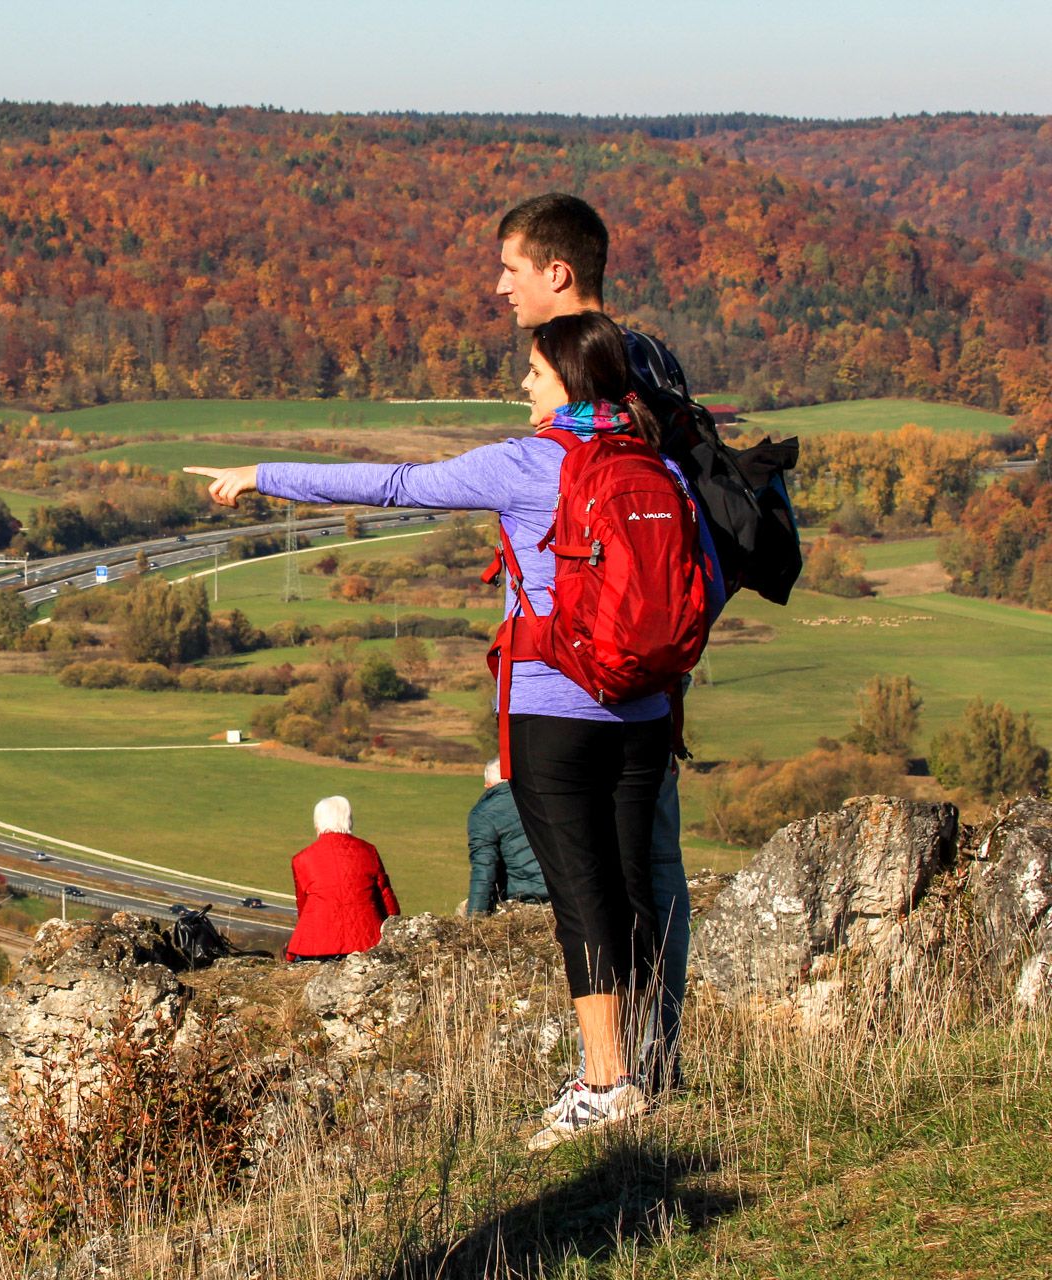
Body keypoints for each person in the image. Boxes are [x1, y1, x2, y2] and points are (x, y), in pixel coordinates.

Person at [187, 309, 718, 1150]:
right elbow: (702, 581)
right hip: (646, 712)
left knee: (582, 906)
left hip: (554, 708)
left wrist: (262, 473)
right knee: (634, 894)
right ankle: (647, 1069)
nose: (523, 388)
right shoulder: (658, 463)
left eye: (534, 376)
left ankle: (605, 1083)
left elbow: (395, 484)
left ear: (568, 385)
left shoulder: (527, 464)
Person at [497, 193, 694, 1093]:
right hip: (653, 680)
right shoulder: (649, 378)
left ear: (557, 273)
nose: (501, 288)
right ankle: (650, 1067)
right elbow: (686, 538)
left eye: (511, 269)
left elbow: (397, 482)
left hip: (584, 688)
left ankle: (629, 1072)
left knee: (611, 884)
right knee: (642, 877)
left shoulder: (598, 394)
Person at [284, 796, 401, 963]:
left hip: (316, 945)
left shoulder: (302, 859)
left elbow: (303, 908)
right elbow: (387, 901)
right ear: (349, 820)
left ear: (317, 823)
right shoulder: (368, 851)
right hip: (366, 942)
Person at [467, 758, 549, 915]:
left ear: (488, 786)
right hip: (567, 892)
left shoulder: (484, 814)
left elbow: (484, 869)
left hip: (529, 897)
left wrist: (474, 920)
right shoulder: (545, 798)